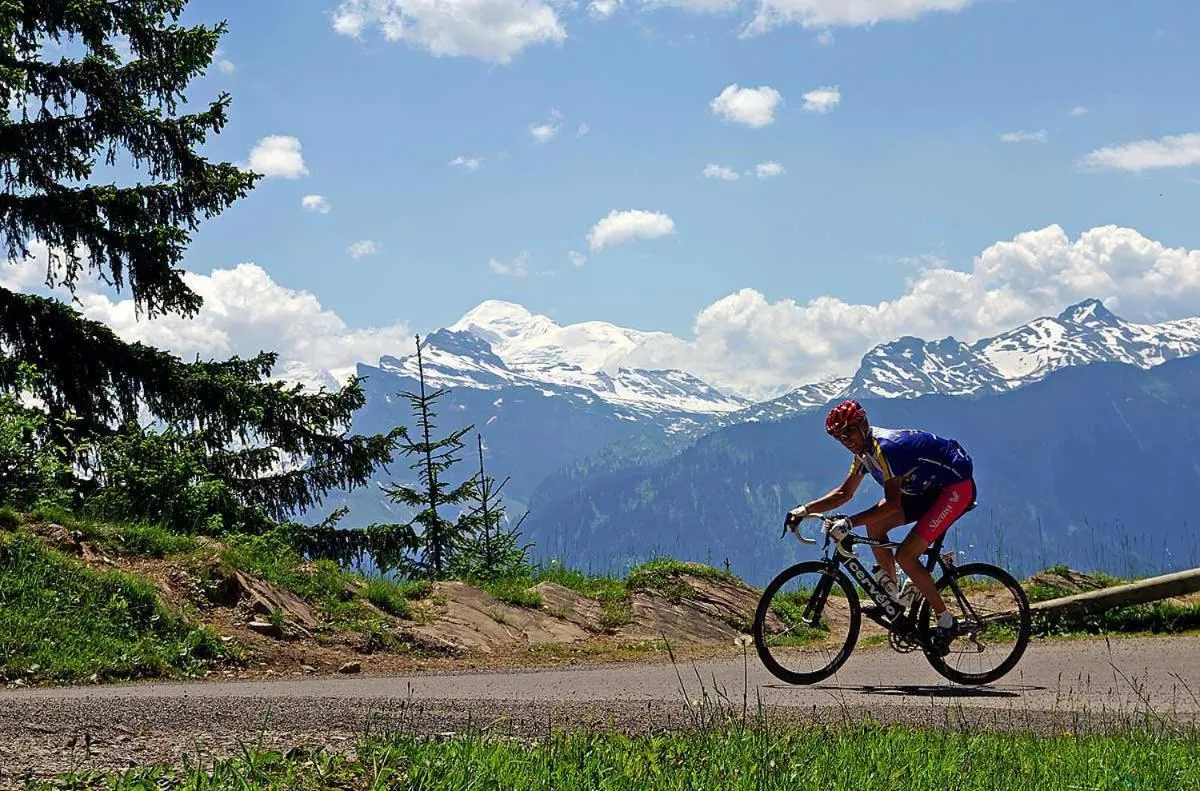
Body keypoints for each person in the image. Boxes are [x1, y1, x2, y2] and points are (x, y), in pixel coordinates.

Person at [784, 399, 976, 654]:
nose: (846, 440)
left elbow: (893, 505)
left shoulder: (886, 448)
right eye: (839, 437)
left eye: (848, 432)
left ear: (862, 424)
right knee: (875, 527)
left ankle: (946, 621)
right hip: (926, 488)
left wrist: (849, 522)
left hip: (955, 488)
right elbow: (844, 493)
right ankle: (893, 597)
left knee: (906, 555)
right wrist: (805, 509)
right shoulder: (863, 453)